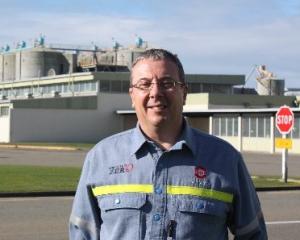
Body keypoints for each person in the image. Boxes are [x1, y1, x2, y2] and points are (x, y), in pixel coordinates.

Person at [69, 48, 268, 239]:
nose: (155, 92)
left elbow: (253, 234)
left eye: (167, 83)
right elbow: (82, 233)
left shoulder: (225, 159)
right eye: (144, 84)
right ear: (132, 96)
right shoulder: (100, 158)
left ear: (184, 93)